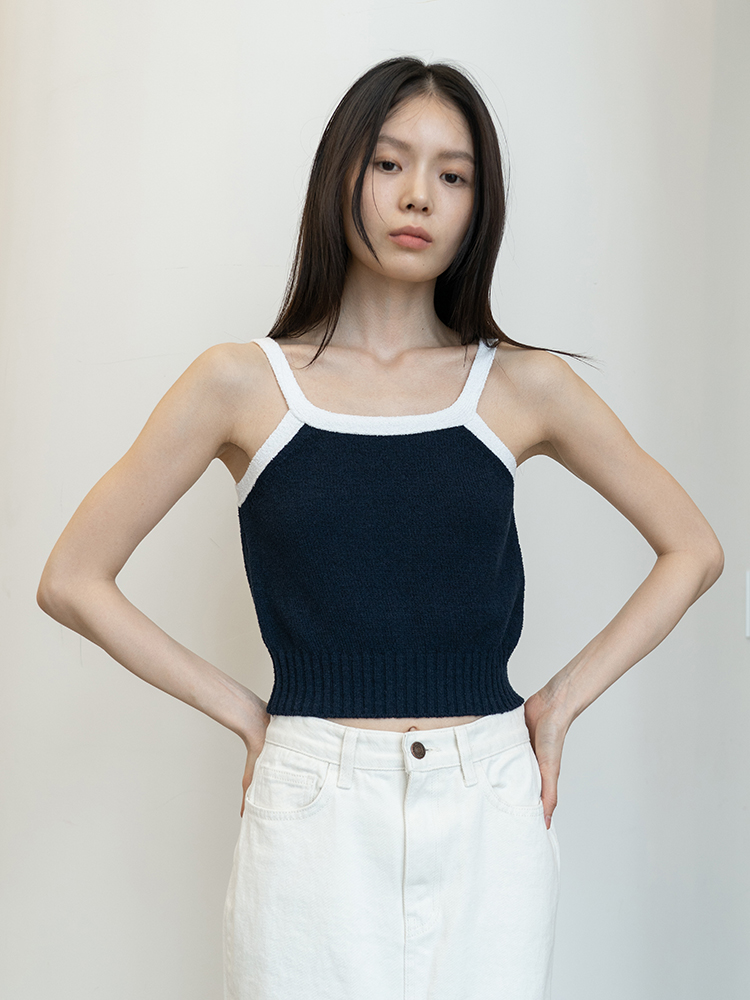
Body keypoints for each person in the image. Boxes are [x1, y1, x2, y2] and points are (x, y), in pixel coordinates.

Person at [37, 56, 723, 1000]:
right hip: (313, 810)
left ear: (478, 206)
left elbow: (693, 548)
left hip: (489, 808)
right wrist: (248, 717)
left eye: (453, 175)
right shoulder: (241, 384)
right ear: (342, 175)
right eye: (390, 163)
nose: (419, 196)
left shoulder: (523, 386)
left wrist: (558, 705)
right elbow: (72, 577)